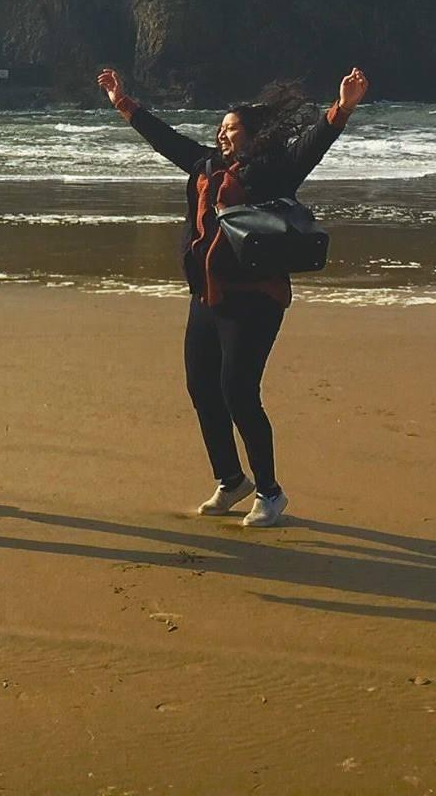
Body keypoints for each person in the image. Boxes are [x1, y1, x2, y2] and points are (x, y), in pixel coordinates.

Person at [96, 64, 370, 527]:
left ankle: (270, 492)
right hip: (207, 296)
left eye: (232, 129)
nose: (224, 136)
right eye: (220, 129)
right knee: (202, 389)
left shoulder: (274, 169)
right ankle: (230, 480)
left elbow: (313, 146)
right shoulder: (206, 164)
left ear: (253, 134)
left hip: (255, 298)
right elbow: (165, 139)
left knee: (239, 392)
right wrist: (124, 103)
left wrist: (342, 107)